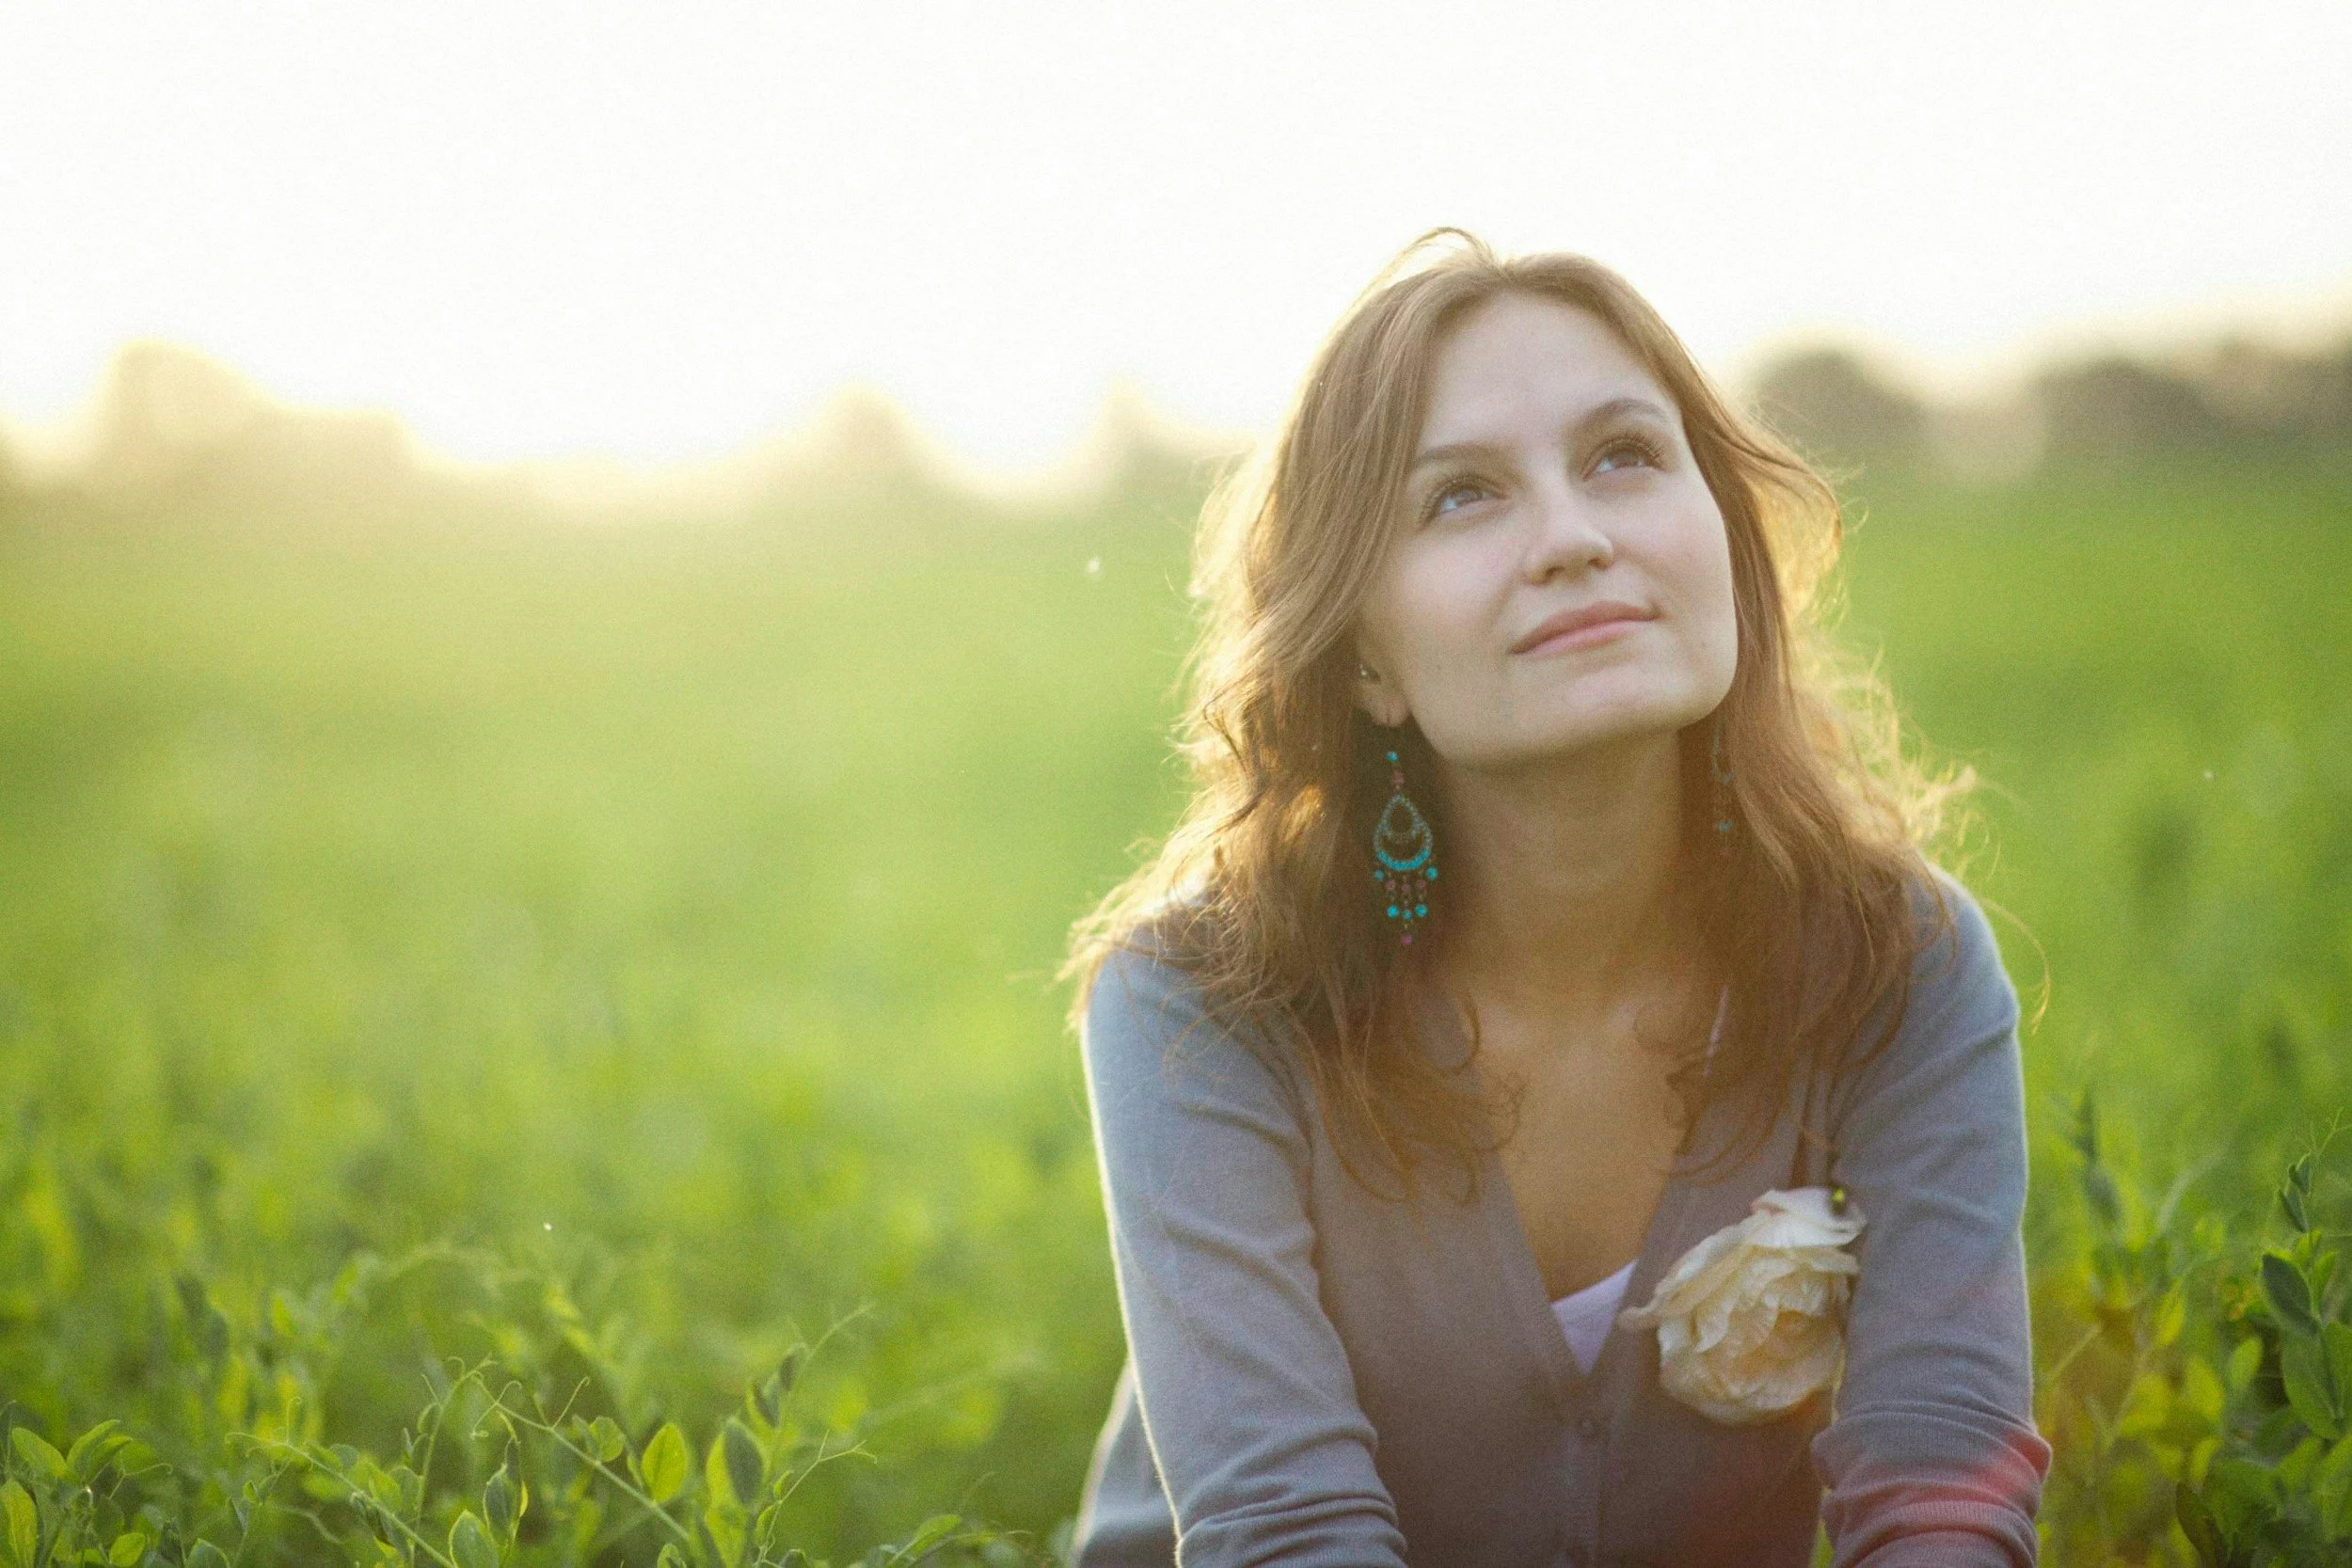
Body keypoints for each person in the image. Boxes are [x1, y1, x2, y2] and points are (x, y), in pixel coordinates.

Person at [1060, 230, 2050, 1567]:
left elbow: (1944, 1496)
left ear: (1727, 543)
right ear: (1363, 660)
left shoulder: (1899, 964)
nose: (1574, 539)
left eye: (1624, 457)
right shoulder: (1199, 1004)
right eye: (1462, 496)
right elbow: (1287, 1536)